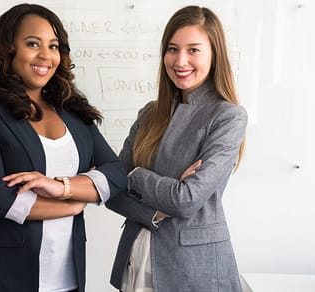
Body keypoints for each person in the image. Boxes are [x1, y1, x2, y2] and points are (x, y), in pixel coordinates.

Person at [0, 4, 127, 292]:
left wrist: (62, 188)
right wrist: (73, 205)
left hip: (66, 280)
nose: (46, 55)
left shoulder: (75, 115)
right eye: (33, 44)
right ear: (8, 49)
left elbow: (117, 175)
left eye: (53, 46)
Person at [105, 5, 247, 292]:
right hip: (137, 253)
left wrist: (134, 174)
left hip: (194, 266)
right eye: (172, 49)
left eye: (193, 49)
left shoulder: (228, 116)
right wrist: (154, 212)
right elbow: (111, 191)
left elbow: (186, 199)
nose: (180, 60)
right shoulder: (149, 113)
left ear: (214, 54)